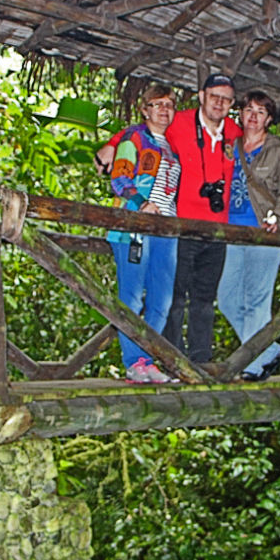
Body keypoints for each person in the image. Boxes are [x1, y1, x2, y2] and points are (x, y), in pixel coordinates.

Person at [217, 91, 280, 380]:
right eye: (248, 110)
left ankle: (252, 367)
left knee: (256, 301)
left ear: (269, 119)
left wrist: (278, 217)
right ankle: (269, 351)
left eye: (260, 112)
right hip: (231, 231)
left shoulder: (279, 150)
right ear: (239, 113)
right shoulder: (229, 146)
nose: (253, 116)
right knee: (226, 297)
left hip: (265, 232)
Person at [163, 73, 242, 364]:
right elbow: (145, 131)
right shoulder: (179, 122)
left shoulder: (235, 132)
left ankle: (200, 360)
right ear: (201, 96)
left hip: (217, 229)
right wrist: (114, 143)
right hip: (182, 225)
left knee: (205, 299)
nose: (219, 103)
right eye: (214, 96)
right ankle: (173, 358)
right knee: (175, 296)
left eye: (226, 99)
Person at [106, 85, 181, 384]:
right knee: (132, 297)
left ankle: (148, 360)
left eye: (169, 104)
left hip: (166, 228)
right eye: (157, 104)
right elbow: (120, 177)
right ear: (145, 109)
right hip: (134, 227)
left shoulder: (172, 147)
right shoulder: (134, 138)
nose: (164, 109)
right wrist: (141, 204)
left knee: (162, 299)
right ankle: (134, 362)